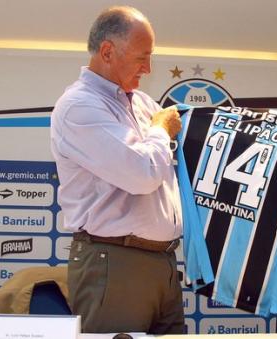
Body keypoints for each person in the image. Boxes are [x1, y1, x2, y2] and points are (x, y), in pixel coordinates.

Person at [50, 6, 184, 334]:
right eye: (142, 57)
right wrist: (161, 130)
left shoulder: (141, 103)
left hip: (163, 262)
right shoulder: (79, 106)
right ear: (107, 51)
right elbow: (142, 173)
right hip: (115, 261)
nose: (148, 68)